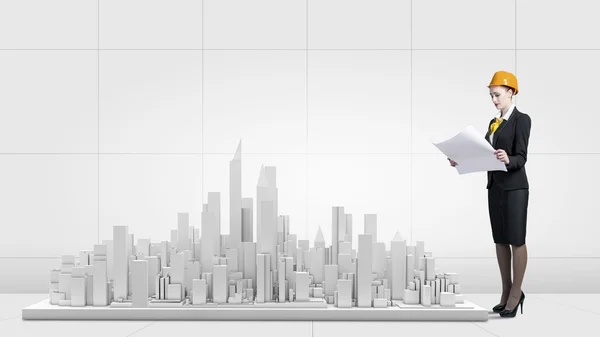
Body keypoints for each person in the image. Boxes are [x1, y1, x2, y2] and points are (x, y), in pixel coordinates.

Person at [448, 70, 531, 318]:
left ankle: (516, 293)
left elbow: (522, 157)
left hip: (515, 187)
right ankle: (506, 292)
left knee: (516, 239)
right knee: (500, 240)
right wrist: (460, 160)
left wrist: (509, 158)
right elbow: (483, 154)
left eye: (497, 94)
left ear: (511, 92)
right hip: (495, 187)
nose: (494, 100)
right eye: (491, 96)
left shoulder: (522, 120)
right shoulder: (493, 124)